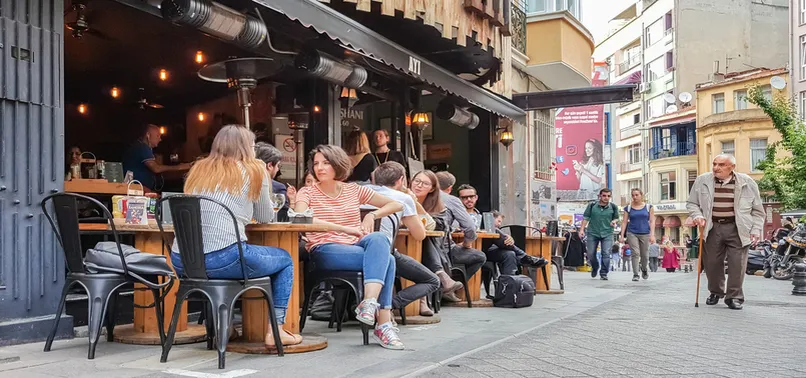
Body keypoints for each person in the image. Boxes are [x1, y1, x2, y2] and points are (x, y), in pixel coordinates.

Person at [168, 125, 300, 348]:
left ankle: (226, 328)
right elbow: (265, 216)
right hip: (223, 259)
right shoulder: (254, 169)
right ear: (245, 148)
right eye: (251, 145)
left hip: (183, 262)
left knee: (216, 270)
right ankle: (276, 330)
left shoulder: (199, 169)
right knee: (285, 259)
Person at [294, 145, 406, 349]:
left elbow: (397, 205)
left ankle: (369, 303)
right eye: (316, 163)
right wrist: (344, 229)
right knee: (387, 261)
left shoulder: (354, 189)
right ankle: (383, 324)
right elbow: (301, 218)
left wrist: (372, 214)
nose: (319, 168)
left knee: (380, 240)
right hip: (325, 248)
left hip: (355, 244)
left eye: (326, 162)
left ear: (338, 164)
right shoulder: (307, 192)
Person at [687, 154, 765, 310]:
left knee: (738, 264)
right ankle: (716, 291)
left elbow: (758, 211)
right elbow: (692, 203)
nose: (716, 168)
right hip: (712, 227)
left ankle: (734, 297)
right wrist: (697, 216)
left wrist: (755, 230)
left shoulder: (747, 182)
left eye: (721, 165)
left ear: (732, 167)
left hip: (738, 228)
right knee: (712, 264)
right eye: (714, 164)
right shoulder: (702, 180)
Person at [366, 162, 439, 317]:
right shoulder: (403, 198)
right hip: (386, 253)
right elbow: (420, 235)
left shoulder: (362, 192)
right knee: (432, 281)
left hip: (359, 249)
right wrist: (412, 201)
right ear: (401, 180)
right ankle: (389, 305)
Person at [409, 170, 465, 298]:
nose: (419, 185)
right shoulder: (401, 197)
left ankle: (425, 299)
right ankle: (441, 277)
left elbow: (435, 227)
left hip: (431, 246)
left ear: (432, 188)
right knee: (424, 238)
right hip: (402, 243)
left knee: (425, 238)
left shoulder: (438, 205)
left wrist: (416, 205)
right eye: (417, 181)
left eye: (424, 183)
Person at [435, 171, 487, 299]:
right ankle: (448, 288)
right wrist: (467, 243)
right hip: (443, 248)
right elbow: (469, 227)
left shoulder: (419, 197)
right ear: (450, 188)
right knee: (479, 256)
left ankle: (446, 287)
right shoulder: (451, 200)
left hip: (423, 245)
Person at [122, 124, 191, 191]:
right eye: (158, 136)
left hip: (138, 188)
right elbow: (156, 168)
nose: (160, 139)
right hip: (137, 189)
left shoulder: (140, 146)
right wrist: (179, 167)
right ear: (148, 135)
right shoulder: (143, 147)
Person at [579, 188, 619, 280]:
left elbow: (617, 218)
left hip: (607, 232)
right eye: (604, 195)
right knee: (590, 253)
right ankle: (595, 266)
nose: (606, 198)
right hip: (593, 232)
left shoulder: (613, 207)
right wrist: (581, 230)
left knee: (606, 253)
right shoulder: (592, 205)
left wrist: (614, 221)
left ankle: (604, 272)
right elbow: (586, 218)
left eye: (608, 196)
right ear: (600, 196)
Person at [619, 188, 655, 281]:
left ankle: (644, 269)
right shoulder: (628, 208)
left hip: (645, 233)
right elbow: (624, 222)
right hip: (632, 233)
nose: (634, 197)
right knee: (635, 253)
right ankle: (635, 274)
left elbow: (651, 221)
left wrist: (652, 234)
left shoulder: (648, 207)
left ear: (641, 195)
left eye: (637, 195)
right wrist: (622, 235)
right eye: (633, 195)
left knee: (645, 255)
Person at [254, 142, 290, 221]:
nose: (278, 169)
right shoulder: (278, 187)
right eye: (278, 166)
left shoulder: (241, 181)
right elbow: (283, 216)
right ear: (270, 165)